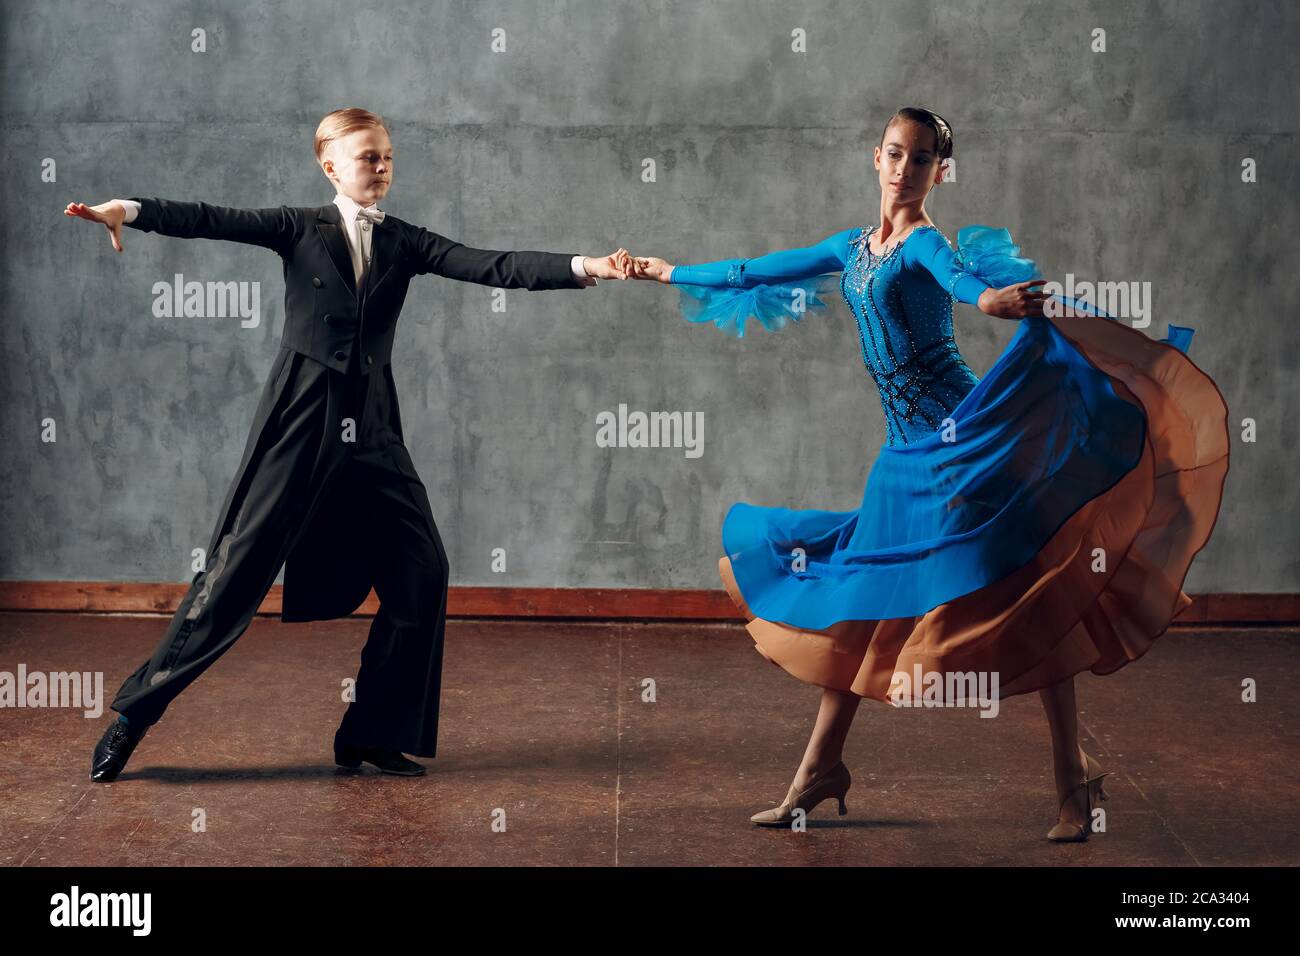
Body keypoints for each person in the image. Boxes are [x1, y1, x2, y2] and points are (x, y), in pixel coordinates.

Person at [628, 107, 1228, 841]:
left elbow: (962, 282)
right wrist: (667, 271)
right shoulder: (852, 249)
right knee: (864, 596)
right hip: (903, 456)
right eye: (894, 154)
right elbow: (753, 269)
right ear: (873, 158)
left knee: (1020, 590)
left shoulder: (923, 244)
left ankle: (1073, 779)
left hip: (962, 445)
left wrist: (991, 300)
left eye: (921, 160)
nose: (903, 169)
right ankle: (819, 769)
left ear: (939, 171)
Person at [66, 107, 634, 781]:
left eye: (388, 155)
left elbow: (493, 265)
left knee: (423, 571)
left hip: (372, 424)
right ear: (331, 166)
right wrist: (126, 210)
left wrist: (586, 265)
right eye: (368, 157)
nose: (382, 166)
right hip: (300, 417)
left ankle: (372, 731)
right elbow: (209, 216)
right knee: (231, 578)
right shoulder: (296, 228)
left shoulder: (405, 242)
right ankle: (136, 714)